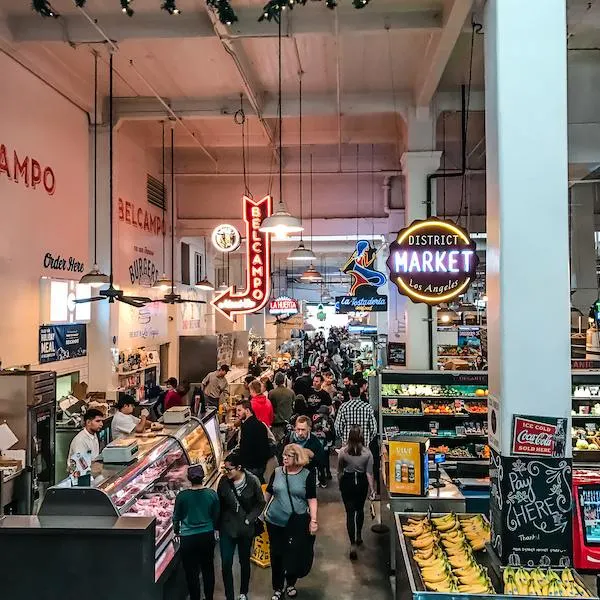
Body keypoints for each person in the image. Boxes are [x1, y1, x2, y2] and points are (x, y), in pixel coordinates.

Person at [265, 444, 318, 600]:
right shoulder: (277, 473)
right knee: (276, 554)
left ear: (297, 457)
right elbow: (269, 492)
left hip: (296, 522)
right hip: (274, 521)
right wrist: (261, 513)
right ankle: (278, 587)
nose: (284, 459)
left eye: (288, 456)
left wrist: (313, 520)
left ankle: (291, 584)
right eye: (283, 456)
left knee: (293, 553)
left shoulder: (306, 475)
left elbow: (312, 499)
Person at [217, 452, 265, 600]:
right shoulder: (224, 482)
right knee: (226, 563)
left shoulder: (252, 481)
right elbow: (219, 504)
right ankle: (229, 595)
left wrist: (249, 519)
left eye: (229, 469)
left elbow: (260, 502)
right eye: (225, 469)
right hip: (227, 529)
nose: (227, 472)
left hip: (245, 530)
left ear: (239, 468)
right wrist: (217, 527)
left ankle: (243, 592)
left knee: (244, 562)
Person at [173, 465, 220, 600]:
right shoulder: (211, 494)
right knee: (208, 568)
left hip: (188, 538)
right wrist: (214, 528)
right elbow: (216, 515)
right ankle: (209, 597)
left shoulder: (182, 496)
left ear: (188, 478)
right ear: (203, 477)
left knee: (191, 572)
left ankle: (195, 597)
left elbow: (176, 517)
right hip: (207, 535)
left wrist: (176, 532)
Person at [338, 426, 376, 560]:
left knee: (349, 513)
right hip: (361, 483)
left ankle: (352, 544)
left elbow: (340, 470)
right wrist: (372, 489)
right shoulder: (367, 453)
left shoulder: (343, 452)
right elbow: (369, 473)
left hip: (347, 483)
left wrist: (340, 484)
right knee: (359, 510)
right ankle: (359, 535)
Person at [278, 416, 325, 487]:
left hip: (307, 478)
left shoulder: (315, 442)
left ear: (309, 429)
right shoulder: (288, 439)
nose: (300, 433)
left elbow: (321, 462)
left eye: (303, 430)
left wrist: (312, 455)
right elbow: (280, 457)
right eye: (298, 429)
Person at [236, 400, 270, 482]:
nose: (237, 413)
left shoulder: (246, 427)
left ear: (247, 411)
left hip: (251, 467)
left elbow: (244, 449)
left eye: (239, 410)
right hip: (261, 465)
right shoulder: (260, 424)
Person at [312, 406, 335, 482]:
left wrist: (328, 431)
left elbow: (333, 433)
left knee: (326, 458)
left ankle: (327, 472)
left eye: (321, 413)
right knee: (320, 458)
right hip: (320, 441)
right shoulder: (317, 420)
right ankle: (322, 473)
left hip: (327, 441)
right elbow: (314, 430)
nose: (319, 414)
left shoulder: (330, 421)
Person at [269, 372, 295, 441]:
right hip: (288, 421)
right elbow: (292, 405)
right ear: (283, 380)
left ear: (275, 381)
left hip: (277, 423)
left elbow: (270, 407)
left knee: (277, 444)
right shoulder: (291, 392)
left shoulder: (272, 393)